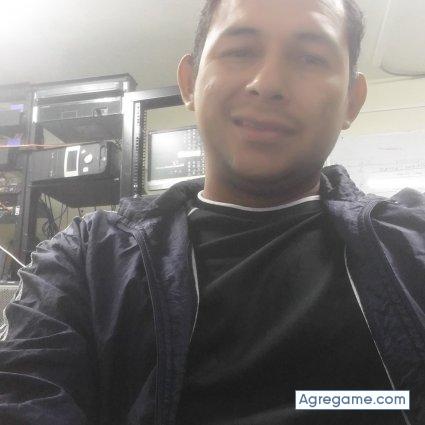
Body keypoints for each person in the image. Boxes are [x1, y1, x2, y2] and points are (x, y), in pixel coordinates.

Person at [0, 0, 424, 424]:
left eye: (311, 58)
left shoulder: (413, 241)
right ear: (189, 81)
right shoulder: (85, 261)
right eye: (240, 51)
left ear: (352, 99)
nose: (268, 83)